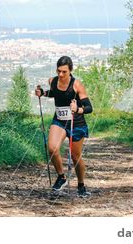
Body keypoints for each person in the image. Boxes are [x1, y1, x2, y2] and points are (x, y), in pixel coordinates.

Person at [35, 56, 93, 197]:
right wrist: (43, 93)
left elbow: (89, 107)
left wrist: (77, 109)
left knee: (75, 156)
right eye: (59, 71)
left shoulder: (76, 85)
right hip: (60, 120)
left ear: (70, 71)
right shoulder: (52, 81)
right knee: (52, 148)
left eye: (64, 72)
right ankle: (61, 177)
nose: (60, 74)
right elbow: (55, 94)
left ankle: (81, 185)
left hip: (76, 123)